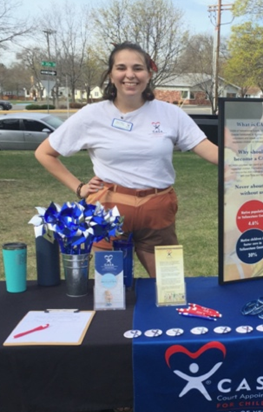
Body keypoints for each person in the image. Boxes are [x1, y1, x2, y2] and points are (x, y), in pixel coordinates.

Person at [35, 42, 218, 277]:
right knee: (110, 293)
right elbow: (44, 153)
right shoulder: (92, 115)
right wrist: (79, 188)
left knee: (169, 288)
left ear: (149, 74)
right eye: (121, 68)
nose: (130, 75)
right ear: (111, 75)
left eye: (138, 68)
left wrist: (250, 159)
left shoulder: (170, 113)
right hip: (109, 209)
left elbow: (210, 151)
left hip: (157, 209)